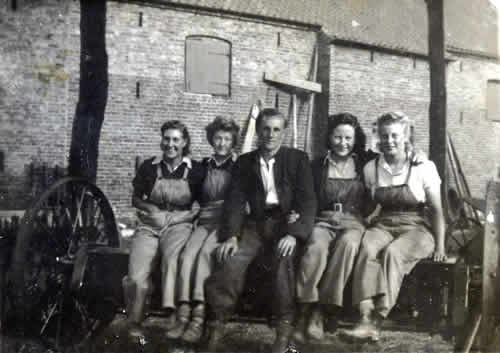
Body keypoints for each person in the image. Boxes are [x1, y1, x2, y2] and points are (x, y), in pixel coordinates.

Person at [204, 108, 317, 353]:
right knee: (230, 258)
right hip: (254, 225)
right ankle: (216, 324)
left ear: (284, 133)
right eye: (266, 129)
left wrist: (293, 233)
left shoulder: (297, 160)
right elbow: (235, 200)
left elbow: (308, 201)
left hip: (284, 225)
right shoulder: (245, 162)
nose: (271, 135)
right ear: (258, 131)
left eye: (276, 129)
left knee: (284, 258)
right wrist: (232, 235)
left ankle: (283, 328)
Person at [340, 111, 446, 342]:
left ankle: (377, 320)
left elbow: (437, 210)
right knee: (366, 247)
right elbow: (368, 204)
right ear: (378, 137)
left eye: (395, 136)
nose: (389, 141)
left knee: (393, 253)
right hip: (385, 223)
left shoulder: (423, 166)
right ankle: (365, 316)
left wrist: (440, 246)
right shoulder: (371, 168)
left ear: (405, 136)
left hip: (417, 227)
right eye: (384, 135)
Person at [293, 113, 377, 343]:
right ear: (329, 138)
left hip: (352, 221)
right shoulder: (316, 165)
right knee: (315, 246)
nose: (343, 143)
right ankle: (304, 311)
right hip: (323, 219)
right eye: (338, 137)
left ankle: (322, 311)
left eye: (348, 138)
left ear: (355, 138)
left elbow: (394, 157)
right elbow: (305, 197)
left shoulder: (365, 162)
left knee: (349, 245)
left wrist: (414, 153)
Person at [122, 120, 204, 338]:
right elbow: (136, 198)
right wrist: (149, 207)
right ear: (161, 140)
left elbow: (203, 203)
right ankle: (135, 321)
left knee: (172, 260)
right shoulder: (149, 167)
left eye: (176, 140)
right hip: (151, 225)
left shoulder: (195, 170)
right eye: (167, 139)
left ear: (184, 142)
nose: (170, 144)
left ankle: (173, 315)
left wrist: (188, 215)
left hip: (179, 225)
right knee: (136, 274)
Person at [167, 116, 240, 343]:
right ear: (211, 139)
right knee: (188, 254)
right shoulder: (202, 166)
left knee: (205, 255)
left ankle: (198, 318)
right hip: (205, 218)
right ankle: (183, 312)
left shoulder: (239, 166)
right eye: (218, 138)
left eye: (227, 139)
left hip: (226, 221)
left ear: (233, 142)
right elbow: (190, 194)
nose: (221, 143)